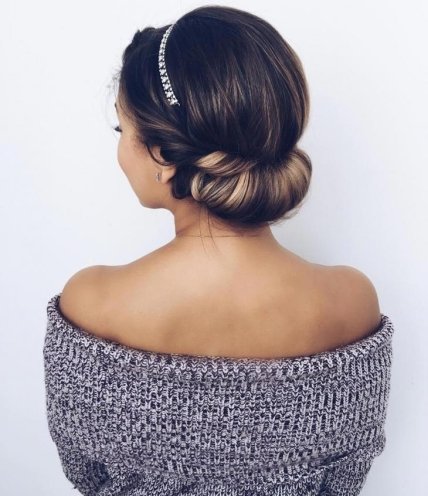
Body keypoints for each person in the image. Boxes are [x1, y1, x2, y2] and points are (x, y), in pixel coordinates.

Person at [43, 5, 394, 495]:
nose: (120, 149)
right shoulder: (351, 305)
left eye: (123, 130)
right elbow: (346, 479)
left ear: (163, 154)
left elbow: (87, 477)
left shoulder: (91, 304)